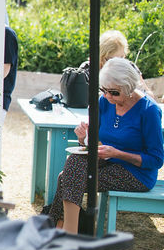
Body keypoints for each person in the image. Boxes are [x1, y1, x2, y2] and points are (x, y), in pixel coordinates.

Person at [48, 58, 164, 233]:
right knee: (73, 163)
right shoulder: (104, 102)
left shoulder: (149, 111)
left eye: (114, 92)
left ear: (129, 87)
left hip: (137, 173)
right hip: (107, 160)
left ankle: (61, 230)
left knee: (66, 178)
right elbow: (95, 143)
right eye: (104, 90)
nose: (108, 96)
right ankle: (65, 232)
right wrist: (83, 138)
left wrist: (118, 154)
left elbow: (156, 160)